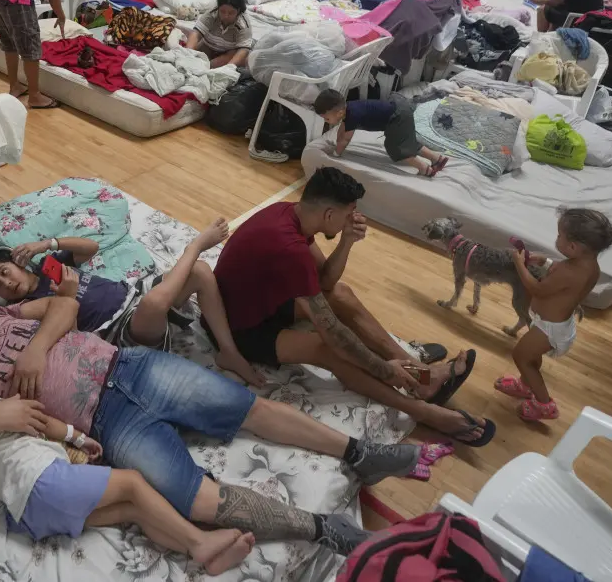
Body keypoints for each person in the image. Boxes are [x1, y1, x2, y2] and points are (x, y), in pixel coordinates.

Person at [0, 285, 424, 556]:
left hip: (129, 365)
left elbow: (64, 304)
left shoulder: (8, 316)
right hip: (108, 422)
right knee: (191, 497)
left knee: (248, 408)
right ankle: (322, 530)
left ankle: (361, 453)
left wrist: (36, 350)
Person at [210, 167, 497, 447]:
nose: (355, 218)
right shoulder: (289, 248)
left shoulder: (292, 214)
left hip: (260, 301)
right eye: (350, 214)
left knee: (342, 294)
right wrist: (385, 370)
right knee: (325, 348)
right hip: (238, 327)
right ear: (329, 214)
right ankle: (424, 411)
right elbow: (333, 333)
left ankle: (422, 377)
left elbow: (326, 281)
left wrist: (346, 240)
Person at [0, 371, 256, 574]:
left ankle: (198, 554)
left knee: (133, 509)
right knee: (133, 483)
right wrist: (78, 437)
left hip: (29, 512)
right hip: (45, 482)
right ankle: (201, 541)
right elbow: (45, 423)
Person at [0, 219, 260, 384]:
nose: (5, 283)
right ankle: (193, 246)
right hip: (120, 331)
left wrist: (46, 244)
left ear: (17, 262)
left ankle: (228, 351)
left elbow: (90, 248)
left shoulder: (48, 265)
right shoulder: (26, 309)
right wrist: (66, 295)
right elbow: (65, 329)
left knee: (200, 271)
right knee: (155, 304)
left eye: (4, 272)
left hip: (134, 291)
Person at [500, 209, 612, 421]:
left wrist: (519, 264)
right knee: (529, 357)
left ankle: (544, 405)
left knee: (521, 356)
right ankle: (526, 384)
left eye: (559, 236)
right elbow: (563, 275)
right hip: (554, 324)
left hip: (549, 329)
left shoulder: (569, 271)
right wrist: (545, 263)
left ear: (573, 247)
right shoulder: (589, 266)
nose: (557, 238)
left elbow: (537, 289)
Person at [313, 89, 448, 177]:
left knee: (395, 147)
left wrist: (335, 154)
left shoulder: (353, 115)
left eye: (327, 118)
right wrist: (336, 142)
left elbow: (345, 140)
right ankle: (437, 158)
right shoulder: (349, 109)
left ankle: (425, 169)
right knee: (408, 141)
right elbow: (341, 131)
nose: (327, 122)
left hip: (397, 117)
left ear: (339, 112)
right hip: (400, 109)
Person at [184, 0, 251, 69]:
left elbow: (243, 50)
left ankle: (209, 67)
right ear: (218, 8)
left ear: (238, 11)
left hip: (228, 52)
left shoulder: (243, 24)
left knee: (208, 67)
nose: (226, 16)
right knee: (191, 60)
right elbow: (196, 33)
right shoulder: (211, 15)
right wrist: (189, 54)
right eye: (222, 11)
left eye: (231, 13)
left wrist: (229, 68)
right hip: (208, 46)